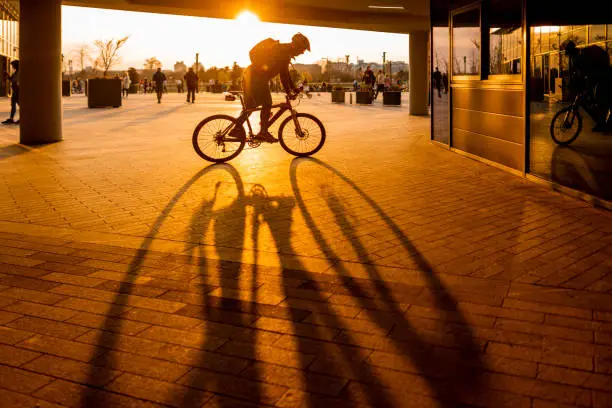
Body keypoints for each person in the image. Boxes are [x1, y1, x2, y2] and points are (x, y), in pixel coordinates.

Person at [241, 33, 310, 143]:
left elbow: (286, 74)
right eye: (302, 49)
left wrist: (293, 89)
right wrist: (289, 91)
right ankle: (263, 132)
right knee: (267, 103)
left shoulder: (283, 50)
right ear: (297, 46)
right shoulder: (283, 52)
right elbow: (283, 76)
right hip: (256, 79)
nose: (302, 52)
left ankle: (236, 128)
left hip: (251, 77)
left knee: (253, 105)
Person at [563, 40, 611, 131]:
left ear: (570, 52)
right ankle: (601, 123)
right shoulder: (580, 55)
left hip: (602, 78)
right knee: (598, 101)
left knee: (600, 100)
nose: (568, 55)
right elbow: (580, 74)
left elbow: (582, 74)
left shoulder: (578, 58)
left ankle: (602, 124)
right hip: (602, 76)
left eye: (568, 53)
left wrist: (574, 86)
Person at [2, 60, 19, 125]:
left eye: (13, 65)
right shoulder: (16, 72)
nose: (12, 67)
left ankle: (19, 118)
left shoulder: (19, 72)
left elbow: (13, 80)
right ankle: (11, 118)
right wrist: (7, 75)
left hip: (18, 91)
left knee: (18, 105)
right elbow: (12, 79)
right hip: (15, 91)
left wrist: (8, 76)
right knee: (13, 105)